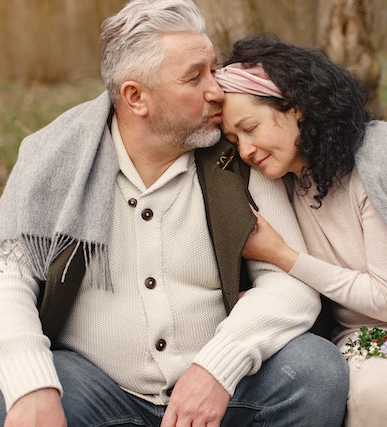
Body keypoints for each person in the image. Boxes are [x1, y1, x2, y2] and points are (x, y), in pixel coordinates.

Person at [0, 3, 351, 427]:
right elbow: (9, 280)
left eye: (213, 69)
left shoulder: (238, 155)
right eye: (194, 76)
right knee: (16, 390)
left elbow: (291, 286)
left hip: (224, 390)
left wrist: (216, 369)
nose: (217, 91)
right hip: (96, 392)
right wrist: (33, 385)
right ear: (135, 97)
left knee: (315, 369)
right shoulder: (53, 158)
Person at [215, 34, 387, 426]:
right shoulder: (280, 181)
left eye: (250, 128)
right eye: (234, 140)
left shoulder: (374, 164)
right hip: (364, 336)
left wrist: (282, 255)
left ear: (295, 108)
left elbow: (386, 298)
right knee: (376, 390)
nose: (246, 149)